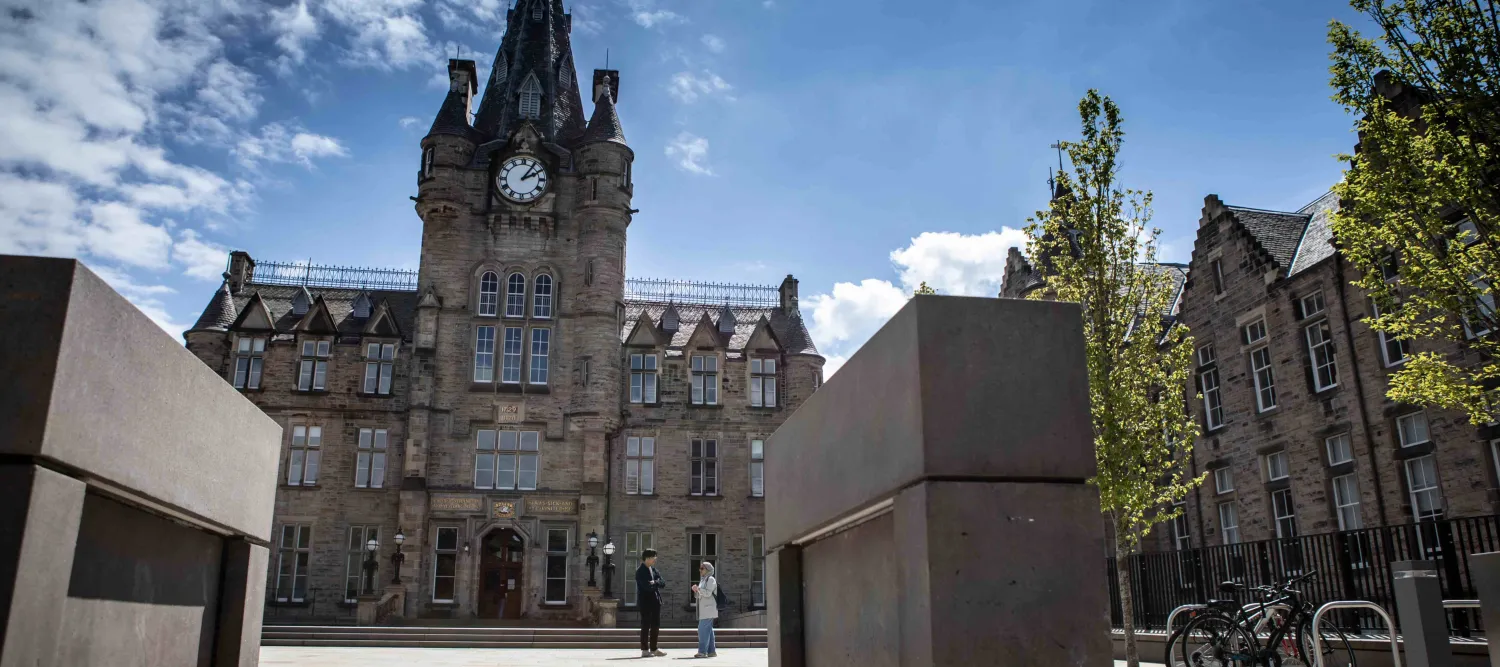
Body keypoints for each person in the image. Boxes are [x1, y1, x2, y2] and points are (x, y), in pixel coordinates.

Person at [635, 549, 666, 658]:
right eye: (653, 558)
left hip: (656, 601)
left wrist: (655, 582)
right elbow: (647, 587)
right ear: (647, 558)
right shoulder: (640, 571)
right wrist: (654, 584)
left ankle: (654, 648)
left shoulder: (654, 570)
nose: (655, 560)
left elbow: (663, 582)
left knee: (655, 625)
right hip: (645, 602)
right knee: (646, 625)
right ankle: (644, 649)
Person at [691, 561, 718, 658]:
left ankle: (702, 652)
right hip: (704, 610)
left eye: (702, 568)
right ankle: (711, 651)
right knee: (708, 630)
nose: (700, 570)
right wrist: (696, 590)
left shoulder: (711, 579)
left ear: (708, 570)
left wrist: (698, 589)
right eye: (700, 568)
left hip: (708, 609)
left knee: (702, 630)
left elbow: (707, 593)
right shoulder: (703, 580)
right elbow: (699, 595)